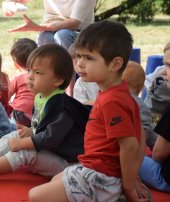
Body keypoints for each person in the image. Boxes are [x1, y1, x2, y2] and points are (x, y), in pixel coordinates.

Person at [28, 20, 147, 202]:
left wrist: (129, 185)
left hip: (101, 176)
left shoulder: (112, 101)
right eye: (79, 56)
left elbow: (131, 145)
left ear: (115, 64)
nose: (79, 64)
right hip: (91, 166)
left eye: (89, 58)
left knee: (35, 196)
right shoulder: (118, 94)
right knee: (55, 180)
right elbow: (141, 135)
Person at [0, 44, 90, 185]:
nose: (30, 77)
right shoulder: (41, 97)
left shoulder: (62, 106)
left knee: (24, 149)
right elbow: (43, 124)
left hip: (68, 163)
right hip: (52, 152)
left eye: (37, 72)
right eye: (29, 70)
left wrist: (23, 143)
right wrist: (30, 131)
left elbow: (52, 137)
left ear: (58, 80)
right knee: (15, 135)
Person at [139, 41, 170, 193]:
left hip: (165, 179)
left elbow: (159, 153)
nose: (164, 72)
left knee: (122, 156)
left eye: (169, 65)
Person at [122, 61, 157, 150]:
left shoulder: (107, 99)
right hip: (131, 152)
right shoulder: (139, 105)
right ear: (141, 87)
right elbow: (148, 133)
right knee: (155, 164)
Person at [8, 38, 37, 127]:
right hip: (35, 114)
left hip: (18, 111)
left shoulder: (18, 77)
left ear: (15, 62)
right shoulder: (39, 76)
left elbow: (7, 95)